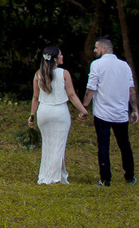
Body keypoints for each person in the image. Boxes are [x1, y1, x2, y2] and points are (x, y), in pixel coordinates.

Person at [27, 45, 89, 185]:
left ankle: (47, 174)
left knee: (47, 144)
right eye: (60, 55)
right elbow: (71, 95)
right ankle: (54, 177)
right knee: (58, 145)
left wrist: (32, 115)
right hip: (60, 112)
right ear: (54, 59)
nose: (62, 57)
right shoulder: (64, 73)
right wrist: (83, 110)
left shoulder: (38, 74)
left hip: (44, 112)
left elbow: (35, 98)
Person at [83, 36, 139, 186]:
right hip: (121, 113)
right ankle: (130, 175)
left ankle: (105, 179)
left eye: (96, 47)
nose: (94, 50)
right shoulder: (124, 66)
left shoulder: (97, 65)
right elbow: (131, 89)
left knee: (103, 145)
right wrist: (135, 110)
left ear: (104, 49)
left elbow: (91, 88)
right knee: (124, 144)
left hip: (102, 113)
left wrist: (84, 107)